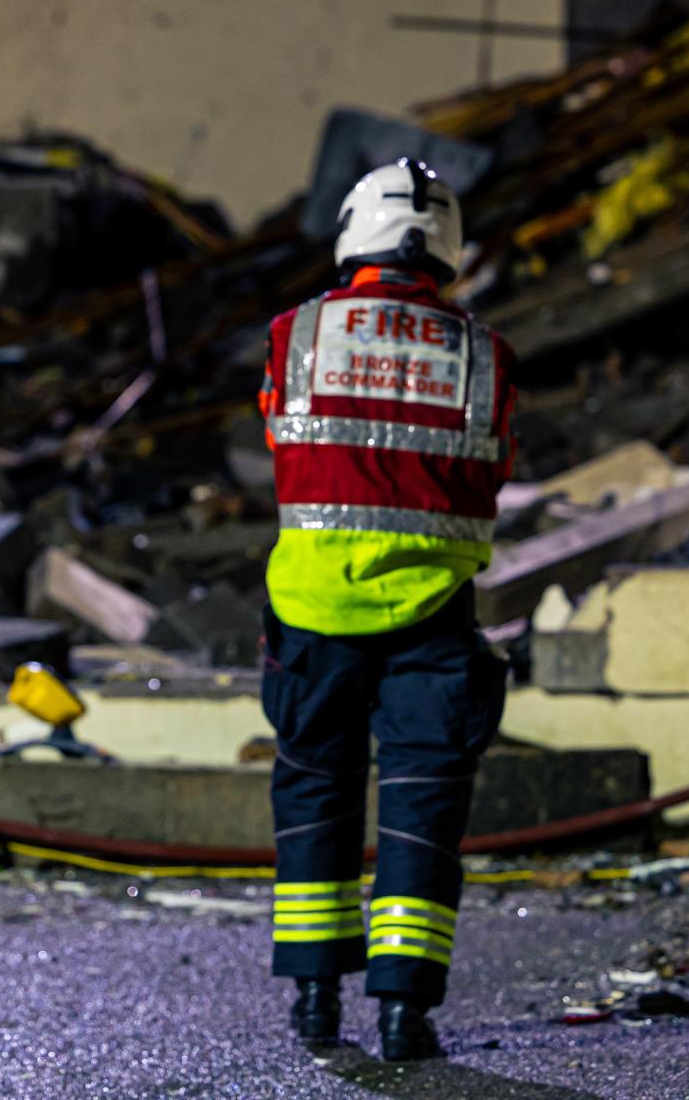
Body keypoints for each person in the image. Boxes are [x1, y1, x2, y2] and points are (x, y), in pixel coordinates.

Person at [255, 158, 516, 1061]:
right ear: (446, 245)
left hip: (312, 607)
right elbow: (493, 469)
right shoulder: (484, 351)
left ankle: (316, 1001)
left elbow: (278, 440)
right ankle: (407, 1014)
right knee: (422, 809)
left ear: (351, 233)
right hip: (434, 611)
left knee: (315, 793)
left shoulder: (296, 335)